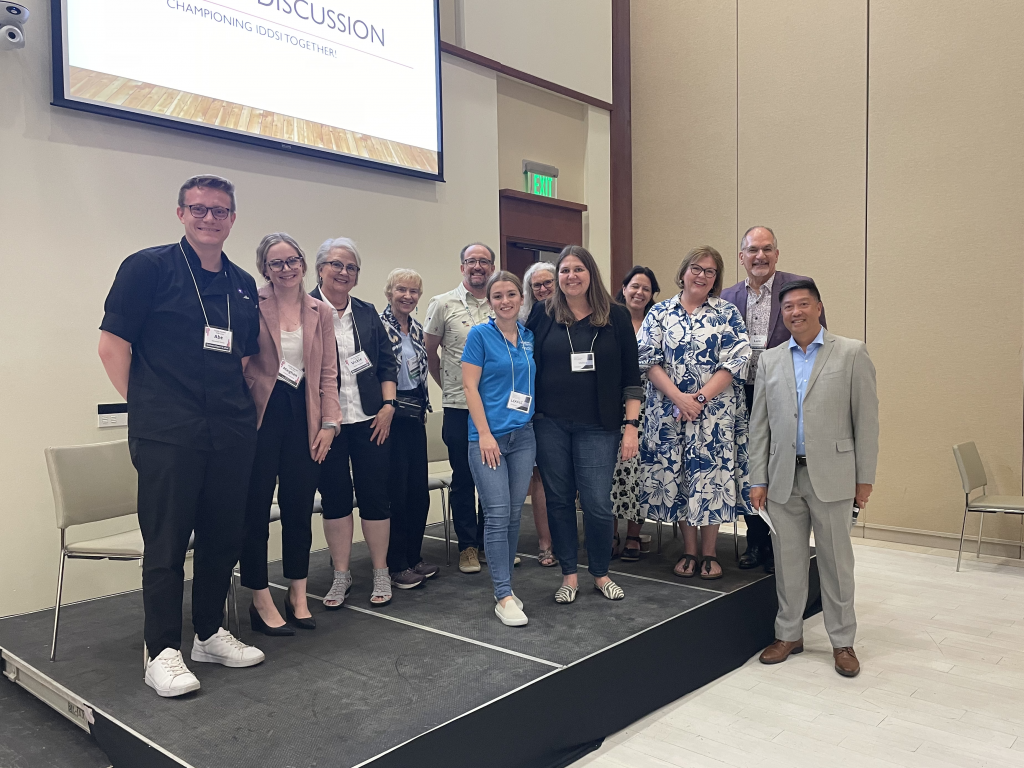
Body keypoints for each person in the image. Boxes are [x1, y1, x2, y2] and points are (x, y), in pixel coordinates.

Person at [98, 174, 265, 698]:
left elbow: (243, 358)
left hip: (230, 430)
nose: (209, 218)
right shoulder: (147, 268)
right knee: (167, 542)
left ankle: (209, 633)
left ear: (232, 219)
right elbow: (111, 346)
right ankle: (162, 649)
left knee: (223, 537)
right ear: (180, 213)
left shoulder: (242, 283)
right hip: (168, 432)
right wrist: (150, 406)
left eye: (219, 211)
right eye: (199, 209)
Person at [749, 279, 877, 678]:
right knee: (788, 562)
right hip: (782, 477)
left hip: (834, 476)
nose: (796, 312)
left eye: (803, 304)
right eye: (788, 307)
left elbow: (866, 421)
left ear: (818, 308)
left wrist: (865, 478)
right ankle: (789, 634)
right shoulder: (770, 360)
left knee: (836, 563)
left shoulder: (851, 352)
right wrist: (757, 478)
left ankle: (842, 641)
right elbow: (759, 425)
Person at [527, 245, 642, 604]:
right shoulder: (543, 313)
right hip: (550, 424)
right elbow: (522, 361)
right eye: (564, 270)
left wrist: (631, 426)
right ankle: (569, 575)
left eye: (578, 269)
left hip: (599, 425)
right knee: (559, 500)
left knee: (596, 503)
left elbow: (631, 376)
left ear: (591, 273)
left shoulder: (616, 315)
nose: (571, 276)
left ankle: (601, 573)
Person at [240, 233, 340, 636]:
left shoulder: (321, 310)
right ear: (264, 268)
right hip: (260, 417)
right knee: (255, 512)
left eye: (292, 260)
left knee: (299, 509)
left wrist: (330, 424)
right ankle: (260, 597)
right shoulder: (252, 303)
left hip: (305, 416)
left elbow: (328, 373)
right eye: (277, 262)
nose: (287, 268)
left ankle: (298, 595)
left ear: (303, 263)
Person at [638, 246, 752, 580]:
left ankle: (710, 552)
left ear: (716, 279)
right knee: (681, 476)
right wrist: (679, 398)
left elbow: (736, 359)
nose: (702, 276)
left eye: (710, 271)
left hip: (714, 414)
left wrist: (698, 399)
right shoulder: (660, 312)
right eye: (696, 268)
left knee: (711, 477)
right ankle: (689, 550)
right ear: (683, 272)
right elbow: (646, 358)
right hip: (669, 412)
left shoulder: (727, 313)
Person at [720, 226, 826, 574]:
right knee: (751, 465)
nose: (760, 256)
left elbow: (816, 338)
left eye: (767, 249)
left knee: (780, 465)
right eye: (753, 250)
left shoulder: (797, 288)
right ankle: (756, 542)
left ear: (777, 254)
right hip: (740, 393)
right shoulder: (727, 296)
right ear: (742, 257)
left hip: (786, 393)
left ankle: (781, 543)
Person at [312, 238, 401, 607]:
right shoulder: (305, 309)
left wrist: (389, 405)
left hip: (370, 420)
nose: (344, 272)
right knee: (335, 499)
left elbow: (386, 363)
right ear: (320, 269)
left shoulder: (366, 313)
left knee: (375, 497)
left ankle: (380, 572)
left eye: (351, 267)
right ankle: (341, 575)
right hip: (326, 426)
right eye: (337, 264)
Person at [462, 272, 537, 626]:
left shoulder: (528, 337)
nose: (505, 301)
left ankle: (504, 589)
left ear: (521, 298)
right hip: (488, 438)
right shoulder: (479, 335)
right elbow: (469, 387)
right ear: (489, 301)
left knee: (513, 515)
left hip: (523, 436)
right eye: (497, 296)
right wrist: (484, 434)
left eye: (511, 294)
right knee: (496, 513)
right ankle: (504, 594)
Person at [424, 244, 496, 574]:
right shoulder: (442, 304)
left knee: (493, 480)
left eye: (484, 261)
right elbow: (430, 354)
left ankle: (489, 544)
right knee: (464, 479)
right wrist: (452, 387)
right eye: (471, 261)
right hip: (458, 407)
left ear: (492, 266)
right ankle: (467, 546)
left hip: (495, 407)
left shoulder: (501, 301)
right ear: (462, 266)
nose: (477, 266)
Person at [380, 268, 439, 587]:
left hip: (415, 414)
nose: (407, 296)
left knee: (418, 492)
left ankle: (414, 557)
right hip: (389, 417)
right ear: (389, 292)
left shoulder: (417, 328)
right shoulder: (377, 326)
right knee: (397, 493)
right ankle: (396, 564)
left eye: (414, 291)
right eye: (401, 289)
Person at [612, 266, 661, 562]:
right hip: (611, 404)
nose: (639, 292)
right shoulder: (609, 319)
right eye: (634, 286)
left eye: (646, 288)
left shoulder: (657, 323)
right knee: (611, 470)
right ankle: (610, 533)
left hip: (648, 407)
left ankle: (633, 534)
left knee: (638, 472)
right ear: (624, 288)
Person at [520, 262, 558, 567]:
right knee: (541, 478)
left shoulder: (575, 316)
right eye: (537, 285)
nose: (543, 289)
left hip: (569, 407)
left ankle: (565, 538)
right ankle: (545, 543)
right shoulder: (524, 321)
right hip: (535, 410)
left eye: (548, 283)